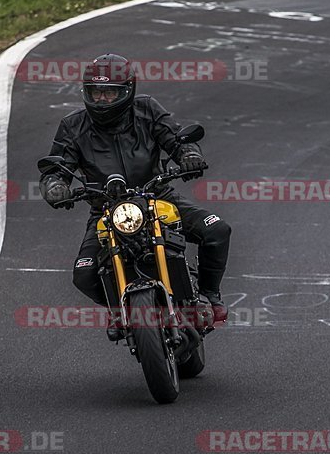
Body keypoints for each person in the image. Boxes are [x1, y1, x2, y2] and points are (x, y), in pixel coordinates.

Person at [39, 54, 231, 340]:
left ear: (127, 91)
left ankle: (209, 296)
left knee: (217, 229)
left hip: (158, 196)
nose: (102, 100)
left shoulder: (147, 110)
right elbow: (56, 167)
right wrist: (54, 186)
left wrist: (189, 155)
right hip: (106, 210)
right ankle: (120, 308)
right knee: (84, 273)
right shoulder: (73, 126)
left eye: (110, 92)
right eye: (96, 92)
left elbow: (176, 138)